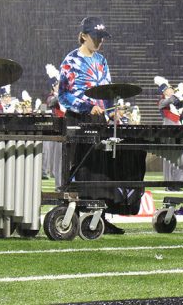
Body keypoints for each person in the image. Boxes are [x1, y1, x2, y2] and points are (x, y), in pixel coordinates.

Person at [57, 16, 132, 235]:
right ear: (83, 36)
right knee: (81, 168)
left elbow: (108, 90)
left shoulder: (101, 61)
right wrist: (86, 106)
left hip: (100, 121)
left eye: (102, 37)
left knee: (101, 169)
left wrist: (113, 109)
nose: (100, 41)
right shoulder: (70, 61)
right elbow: (63, 96)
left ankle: (99, 216)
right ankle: (77, 214)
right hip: (78, 120)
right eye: (96, 37)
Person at [155, 76, 183, 190]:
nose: (172, 89)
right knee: (169, 160)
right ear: (164, 91)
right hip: (168, 131)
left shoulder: (176, 103)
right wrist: (179, 91)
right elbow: (171, 100)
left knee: (181, 158)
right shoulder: (162, 102)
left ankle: (176, 183)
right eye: (169, 88)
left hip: (178, 131)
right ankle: (168, 185)